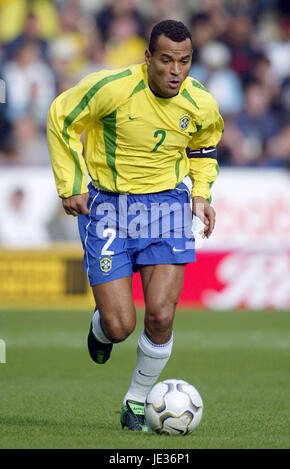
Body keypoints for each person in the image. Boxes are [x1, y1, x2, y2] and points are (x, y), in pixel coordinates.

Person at [47, 19, 224, 431]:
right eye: (166, 60)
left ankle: (137, 402)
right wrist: (71, 185)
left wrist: (201, 195)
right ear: (148, 58)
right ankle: (102, 328)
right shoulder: (111, 89)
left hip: (167, 208)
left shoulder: (201, 102)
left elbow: (204, 147)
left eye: (184, 61)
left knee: (161, 315)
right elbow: (61, 117)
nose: (175, 71)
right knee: (120, 325)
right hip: (109, 208)